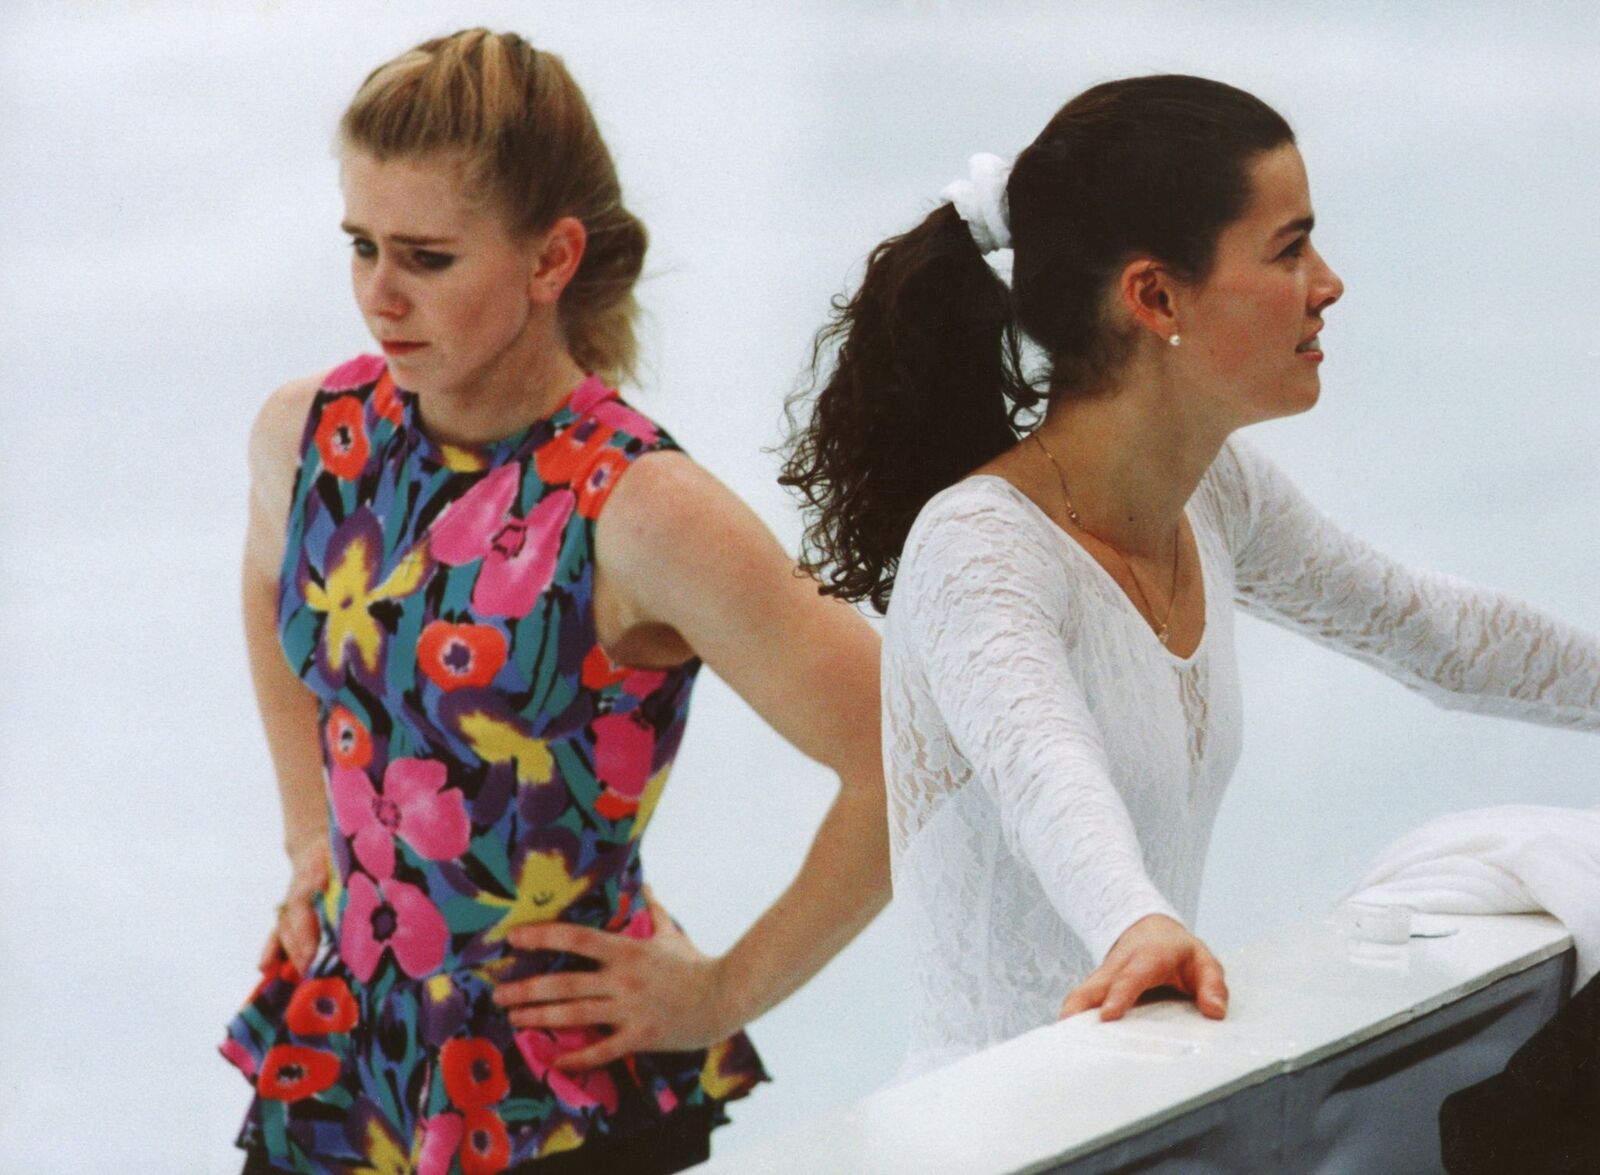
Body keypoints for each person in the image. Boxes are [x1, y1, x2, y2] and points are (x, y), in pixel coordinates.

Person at [780, 74, 1600, 1075]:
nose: (1326, 282)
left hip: (1148, 1086)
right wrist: (1135, 918)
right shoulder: (977, 548)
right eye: (1288, 249)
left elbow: (1426, 626)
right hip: (1003, 1127)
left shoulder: (1216, 494)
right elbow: (1048, 769)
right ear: (1155, 297)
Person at [220, 29, 887, 1174]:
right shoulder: (312, 435)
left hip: (554, 1099)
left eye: (427, 257)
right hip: (349, 1060)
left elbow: (910, 752)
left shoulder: (639, 510)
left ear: (551, 257)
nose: (380, 294)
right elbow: (271, 585)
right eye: (361, 244)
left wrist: (723, 989)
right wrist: (310, 831)